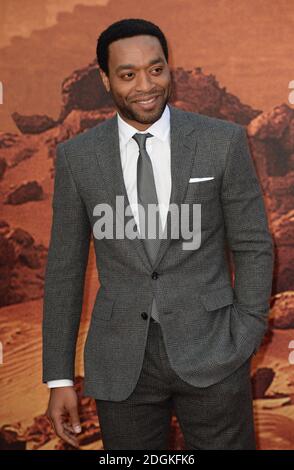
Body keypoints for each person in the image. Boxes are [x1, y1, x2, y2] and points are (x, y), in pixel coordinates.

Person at [43, 18, 274, 450]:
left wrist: (247, 329)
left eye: (156, 69)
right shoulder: (77, 157)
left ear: (170, 68)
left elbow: (254, 245)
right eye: (128, 74)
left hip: (215, 350)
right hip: (120, 362)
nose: (146, 85)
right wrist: (59, 377)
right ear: (106, 80)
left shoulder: (221, 141)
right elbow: (63, 271)